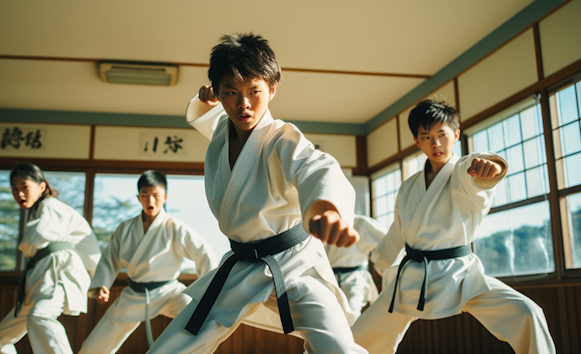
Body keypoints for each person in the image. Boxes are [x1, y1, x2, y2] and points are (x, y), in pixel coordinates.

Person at [146, 33, 368, 354]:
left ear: (272, 89)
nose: (244, 104)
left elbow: (315, 167)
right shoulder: (223, 133)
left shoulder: (281, 138)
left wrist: (324, 207)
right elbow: (208, 116)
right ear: (220, 95)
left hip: (293, 266)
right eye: (231, 93)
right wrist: (206, 99)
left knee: (339, 349)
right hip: (240, 268)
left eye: (254, 91)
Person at [351, 100, 556, 354]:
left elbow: (478, 174)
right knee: (356, 338)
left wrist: (490, 168)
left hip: (459, 275)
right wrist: (381, 263)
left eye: (441, 135)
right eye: (426, 137)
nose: (435, 144)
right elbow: (397, 232)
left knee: (528, 313)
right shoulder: (408, 187)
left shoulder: (462, 171)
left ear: (456, 135)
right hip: (412, 279)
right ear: (417, 141)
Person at [79, 170, 218, 353]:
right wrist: (102, 284)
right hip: (134, 295)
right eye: (145, 195)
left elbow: (204, 253)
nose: (150, 201)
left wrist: (208, 292)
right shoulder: (126, 228)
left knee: (200, 322)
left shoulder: (175, 227)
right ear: (138, 198)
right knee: (92, 347)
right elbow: (109, 258)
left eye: (156, 196)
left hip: (169, 292)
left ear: (165, 197)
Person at [0, 163, 100, 354]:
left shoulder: (51, 206)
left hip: (57, 273)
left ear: (41, 186)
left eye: (25, 187)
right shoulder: (38, 211)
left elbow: (87, 245)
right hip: (37, 280)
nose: (20, 194)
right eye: (15, 189)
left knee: (40, 316)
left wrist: (98, 281)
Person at [324, 214, 386, 317]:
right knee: (330, 317)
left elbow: (386, 242)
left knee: (352, 316)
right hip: (329, 278)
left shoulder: (360, 223)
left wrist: (377, 261)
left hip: (354, 278)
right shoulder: (326, 222)